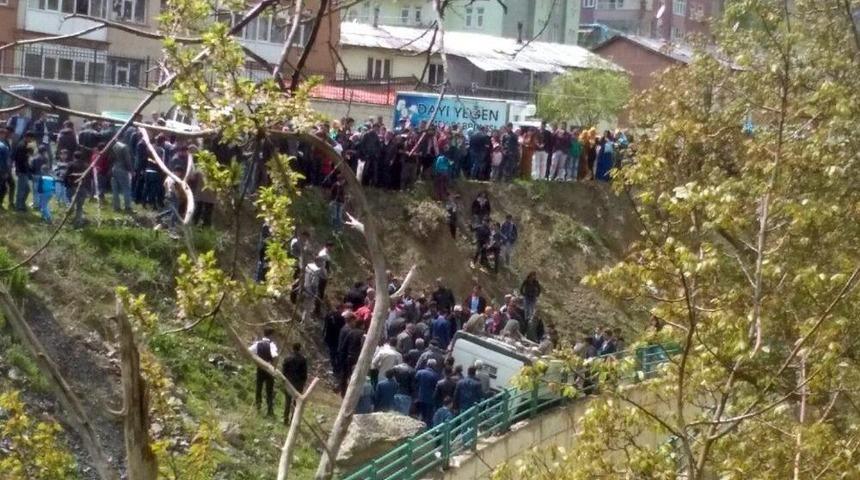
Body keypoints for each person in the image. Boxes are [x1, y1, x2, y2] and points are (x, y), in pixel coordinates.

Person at [248, 328, 279, 417]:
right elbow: (275, 356)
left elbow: (249, 351)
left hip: (260, 368)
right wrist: (274, 366)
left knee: (259, 388)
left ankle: (258, 407)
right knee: (269, 390)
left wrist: (256, 360)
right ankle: (270, 410)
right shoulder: (272, 345)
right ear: (271, 335)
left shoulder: (258, 344)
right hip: (269, 369)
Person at [282, 343, 308, 424]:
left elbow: (283, 371)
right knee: (296, 402)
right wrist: (303, 382)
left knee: (287, 401)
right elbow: (304, 373)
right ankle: (293, 419)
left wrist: (284, 381)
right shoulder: (303, 359)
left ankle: (285, 419)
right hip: (298, 383)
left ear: (292, 348)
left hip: (289, 382)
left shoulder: (287, 358)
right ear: (299, 349)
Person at [64, 151, 91, 227]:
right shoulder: (86, 165)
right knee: (80, 206)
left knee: (70, 203)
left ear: (74, 157)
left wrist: (66, 184)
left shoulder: (71, 164)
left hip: (72, 187)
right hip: (83, 188)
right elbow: (89, 177)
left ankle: (67, 219)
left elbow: (66, 175)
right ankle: (78, 221)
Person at [12, 132, 35, 211]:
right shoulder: (22, 145)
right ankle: (19, 207)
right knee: (21, 190)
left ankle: (21, 204)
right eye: (31, 138)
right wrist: (27, 155)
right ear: (28, 137)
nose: (32, 140)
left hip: (24, 170)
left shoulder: (24, 145)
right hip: (21, 170)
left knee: (26, 189)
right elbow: (19, 159)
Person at [110, 141, 134, 213]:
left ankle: (116, 207)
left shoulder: (114, 146)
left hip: (114, 167)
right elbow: (127, 160)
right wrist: (131, 170)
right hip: (122, 169)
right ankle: (128, 207)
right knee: (126, 188)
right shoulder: (124, 147)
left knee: (115, 190)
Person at [415, 359, 441, 425]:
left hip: (419, 397)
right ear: (434, 366)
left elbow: (415, 384)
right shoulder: (435, 376)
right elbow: (436, 387)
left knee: (418, 414)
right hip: (429, 399)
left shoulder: (419, 372)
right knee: (427, 417)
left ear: (427, 364)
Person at [323, 306, 348, 375]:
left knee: (332, 354)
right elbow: (343, 329)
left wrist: (324, 336)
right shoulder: (341, 318)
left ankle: (335, 368)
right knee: (338, 354)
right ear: (340, 309)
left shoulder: (328, 315)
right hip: (337, 338)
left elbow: (325, 326)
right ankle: (338, 369)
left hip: (329, 338)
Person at [0, 127, 12, 209]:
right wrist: (7, 172)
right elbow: (7, 161)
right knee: (3, 188)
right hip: (2, 170)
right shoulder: (4, 147)